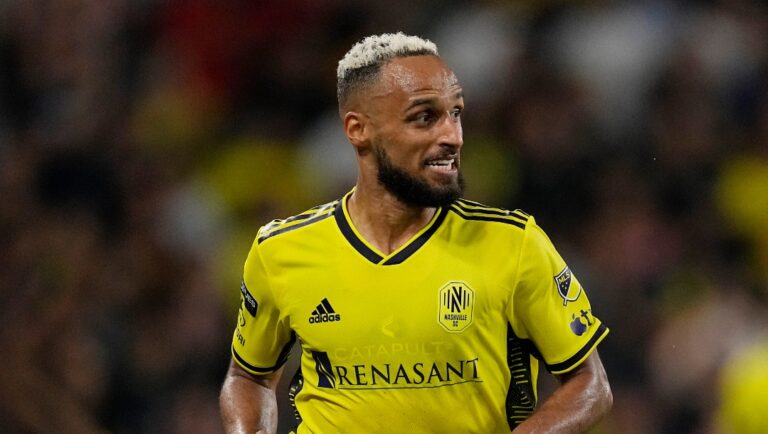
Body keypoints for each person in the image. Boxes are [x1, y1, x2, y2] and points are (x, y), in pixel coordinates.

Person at [219, 32, 612, 434]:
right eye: (424, 117)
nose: (453, 137)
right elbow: (248, 377)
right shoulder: (281, 250)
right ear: (358, 129)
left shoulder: (513, 243)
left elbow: (590, 385)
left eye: (456, 113)